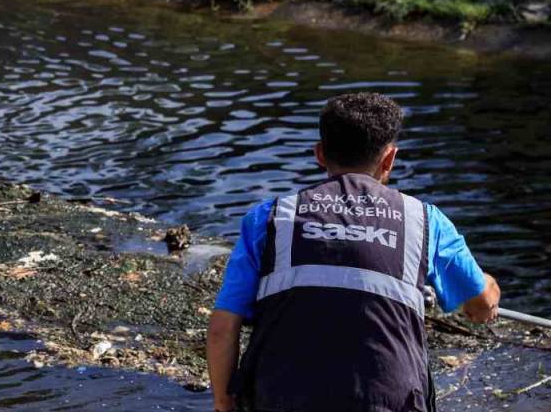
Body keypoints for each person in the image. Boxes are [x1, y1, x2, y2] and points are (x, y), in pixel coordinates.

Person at [207, 92, 501, 412]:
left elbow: (223, 325)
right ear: (389, 158)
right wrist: (486, 289)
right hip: (390, 401)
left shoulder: (269, 217)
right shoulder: (425, 221)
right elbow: (481, 302)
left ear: (320, 154)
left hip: (280, 398)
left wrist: (224, 401)